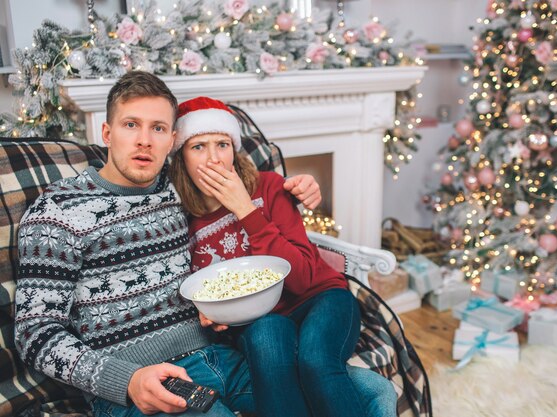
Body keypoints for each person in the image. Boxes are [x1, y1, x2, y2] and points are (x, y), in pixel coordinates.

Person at [13, 71, 323, 417]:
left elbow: (249, 189)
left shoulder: (180, 191)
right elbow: (34, 333)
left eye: (158, 128)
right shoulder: (58, 211)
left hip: (221, 358)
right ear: (107, 133)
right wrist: (126, 380)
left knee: (367, 393)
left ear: (172, 139)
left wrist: (295, 187)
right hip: (143, 382)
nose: (144, 140)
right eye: (131, 125)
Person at [169, 96, 398, 417]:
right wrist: (208, 314)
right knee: (269, 339)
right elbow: (203, 292)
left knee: (315, 360)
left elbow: (303, 278)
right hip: (259, 321)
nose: (214, 160)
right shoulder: (182, 223)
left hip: (321, 297)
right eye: (198, 147)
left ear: (233, 151)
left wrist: (245, 210)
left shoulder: (270, 188)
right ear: (180, 157)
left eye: (222, 145)